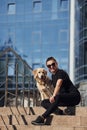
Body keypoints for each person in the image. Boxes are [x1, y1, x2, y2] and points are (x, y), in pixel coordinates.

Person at [31, 57, 81, 125]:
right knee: (43, 102)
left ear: (56, 64)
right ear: (48, 67)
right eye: (49, 66)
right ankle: (62, 113)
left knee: (57, 96)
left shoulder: (61, 72)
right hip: (64, 98)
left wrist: (54, 96)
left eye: (53, 64)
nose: (51, 66)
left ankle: (42, 117)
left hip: (74, 97)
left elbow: (58, 84)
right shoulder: (53, 76)